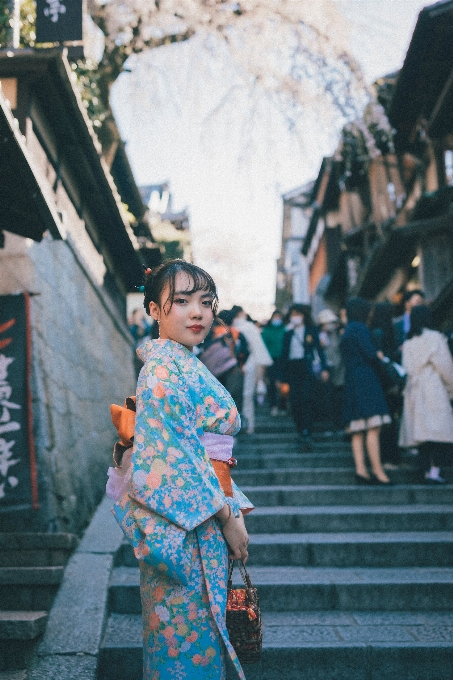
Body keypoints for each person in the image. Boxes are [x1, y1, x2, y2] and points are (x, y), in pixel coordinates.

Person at [110, 259, 253, 680]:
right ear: (154, 310)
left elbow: (201, 454)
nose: (198, 312)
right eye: (183, 301)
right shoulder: (161, 371)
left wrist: (230, 505)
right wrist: (226, 513)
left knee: (192, 642)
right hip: (185, 527)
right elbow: (169, 459)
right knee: (183, 646)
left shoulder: (182, 364)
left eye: (206, 303)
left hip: (198, 517)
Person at [340, 297, 392, 485]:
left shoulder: (347, 331)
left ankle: (361, 470)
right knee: (373, 426)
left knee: (357, 428)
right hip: (366, 379)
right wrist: (379, 357)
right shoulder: (360, 329)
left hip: (352, 379)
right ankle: (379, 471)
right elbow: (371, 354)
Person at [399, 305, 453, 484]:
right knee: (438, 432)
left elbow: (406, 367)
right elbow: (445, 367)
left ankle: (425, 472)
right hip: (433, 387)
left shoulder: (408, 342)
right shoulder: (435, 338)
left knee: (421, 435)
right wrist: (451, 389)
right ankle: (435, 472)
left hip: (414, 389)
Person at [281, 303, 329, 447]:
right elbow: (284, 355)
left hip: (306, 367)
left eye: (298, 314)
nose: (295, 317)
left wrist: (324, 368)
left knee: (306, 399)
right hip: (292, 368)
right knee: (295, 401)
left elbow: (319, 350)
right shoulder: (288, 333)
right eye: (293, 314)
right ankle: (300, 430)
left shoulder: (311, 331)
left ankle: (308, 430)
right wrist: (282, 378)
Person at [231, 305, 273, 434]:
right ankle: (249, 425)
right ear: (241, 313)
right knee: (247, 395)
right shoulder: (249, 327)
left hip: (233, 365)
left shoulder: (230, 327)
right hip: (250, 363)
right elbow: (258, 350)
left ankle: (234, 424)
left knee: (234, 394)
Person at [370, 302, 401, 467]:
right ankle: (389, 458)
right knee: (388, 421)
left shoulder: (375, 331)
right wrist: (391, 383)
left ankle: (388, 457)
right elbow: (383, 360)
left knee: (385, 421)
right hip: (385, 383)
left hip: (380, 383)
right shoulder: (382, 333)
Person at [317, 308, 345, 432]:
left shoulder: (338, 334)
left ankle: (339, 423)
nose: (330, 325)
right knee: (327, 398)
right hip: (325, 370)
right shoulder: (318, 336)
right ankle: (329, 424)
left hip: (339, 370)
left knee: (338, 398)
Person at [261, 310, 287, 415]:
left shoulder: (285, 330)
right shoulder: (266, 331)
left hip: (283, 360)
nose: (277, 319)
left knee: (283, 384)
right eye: (275, 317)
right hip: (271, 361)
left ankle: (283, 405)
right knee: (272, 383)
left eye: (279, 317)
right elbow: (263, 346)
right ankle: (274, 405)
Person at [393, 289, 425, 355]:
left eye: (421, 302)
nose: (420, 305)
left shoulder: (424, 318)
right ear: (407, 303)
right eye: (418, 302)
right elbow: (398, 345)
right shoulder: (398, 324)